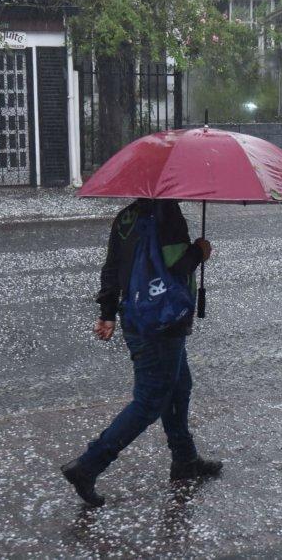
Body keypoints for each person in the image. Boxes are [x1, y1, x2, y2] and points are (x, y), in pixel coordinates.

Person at [61, 199, 221, 507]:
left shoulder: (126, 216)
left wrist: (107, 312)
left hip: (136, 316)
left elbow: (111, 268)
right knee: (149, 402)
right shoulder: (168, 213)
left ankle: (185, 459)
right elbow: (177, 266)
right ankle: (88, 466)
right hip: (163, 321)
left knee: (178, 387)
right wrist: (199, 251)